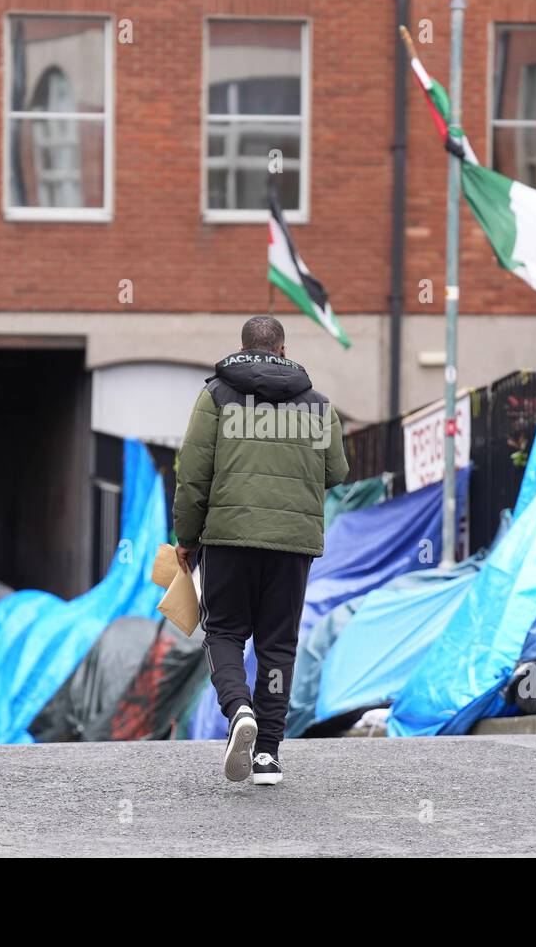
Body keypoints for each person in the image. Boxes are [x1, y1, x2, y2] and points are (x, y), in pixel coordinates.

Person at [173, 316, 349, 784]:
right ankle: (268, 753)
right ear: (283, 351)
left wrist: (186, 539)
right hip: (292, 544)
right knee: (278, 645)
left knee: (226, 633)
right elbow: (336, 471)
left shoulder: (215, 396)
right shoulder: (317, 405)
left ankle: (239, 711)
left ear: (244, 348)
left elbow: (192, 473)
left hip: (228, 538)